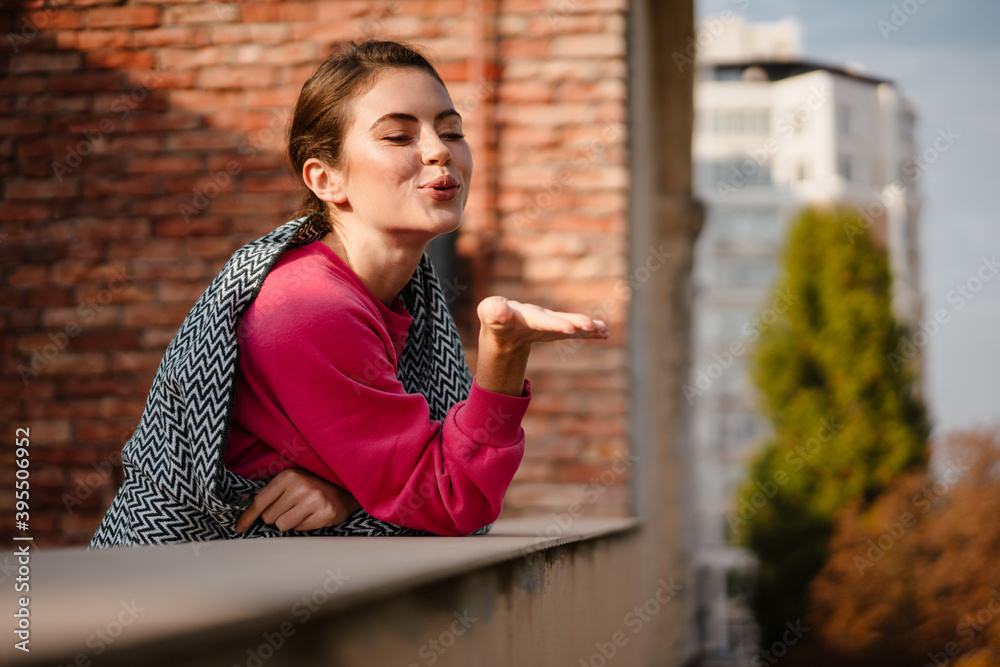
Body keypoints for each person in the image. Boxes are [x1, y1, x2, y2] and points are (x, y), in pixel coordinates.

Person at [88, 40, 606, 547]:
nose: (438, 150)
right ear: (326, 178)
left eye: (451, 130)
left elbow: (419, 484)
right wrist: (505, 355)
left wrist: (351, 493)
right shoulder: (307, 310)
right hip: (170, 596)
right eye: (399, 137)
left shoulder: (395, 291)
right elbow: (454, 499)